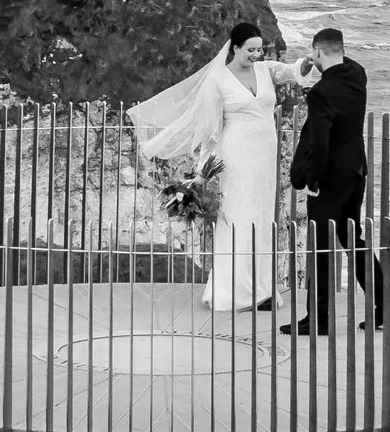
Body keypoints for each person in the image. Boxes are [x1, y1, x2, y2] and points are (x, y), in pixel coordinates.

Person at [129, 22, 317, 312]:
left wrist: (307, 62)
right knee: (238, 218)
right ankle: (234, 292)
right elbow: (211, 128)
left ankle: (262, 290)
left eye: (259, 49)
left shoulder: (266, 69)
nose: (256, 54)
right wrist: (203, 172)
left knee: (263, 217)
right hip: (236, 156)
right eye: (250, 50)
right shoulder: (219, 80)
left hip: (265, 157)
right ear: (235, 48)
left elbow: (292, 72)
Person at [282, 28, 390, 334]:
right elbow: (342, 60)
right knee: (351, 239)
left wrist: (311, 181)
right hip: (356, 173)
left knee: (319, 248)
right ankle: (386, 304)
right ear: (341, 50)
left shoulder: (322, 93)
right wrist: (324, 56)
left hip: (330, 180)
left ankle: (317, 319)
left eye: (315, 53)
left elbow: (320, 144)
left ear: (317, 52)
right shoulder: (357, 75)